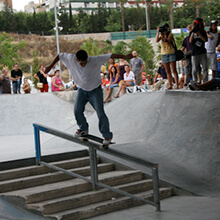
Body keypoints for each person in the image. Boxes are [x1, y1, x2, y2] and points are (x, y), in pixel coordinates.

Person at [45, 50, 133, 145]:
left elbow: (111, 55)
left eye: (85, 62)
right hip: (82, 90)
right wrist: (50, 66)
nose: (83, 65)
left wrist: (124, 56)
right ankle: (83, 129)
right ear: (76, 59)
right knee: (77, 110)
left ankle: (107, 135)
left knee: (100, 113)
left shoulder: (94, 60)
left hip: (95, 90)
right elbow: (59, 55)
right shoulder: (70, 59)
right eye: (81, 63)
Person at [156, 23, 179, 89]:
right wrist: (158, 32)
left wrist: (165, 35)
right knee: (168, 71)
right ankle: (170, 85)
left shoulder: (170, 34)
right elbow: (157, 40)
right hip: (164, 54)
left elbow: (167, 41)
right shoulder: (161, 35)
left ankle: (177, 84)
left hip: (171, 53)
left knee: (174, 69)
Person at [189, 17, 208, 83]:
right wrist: (193, 32)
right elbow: (190, 41)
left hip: (202, 51)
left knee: (205, 67)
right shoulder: (192, 31)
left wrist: (199, 34)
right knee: (194, 68)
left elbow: (205, 40)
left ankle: (205, 81)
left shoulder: (203, 31)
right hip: (194, 52)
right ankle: (195, 81)